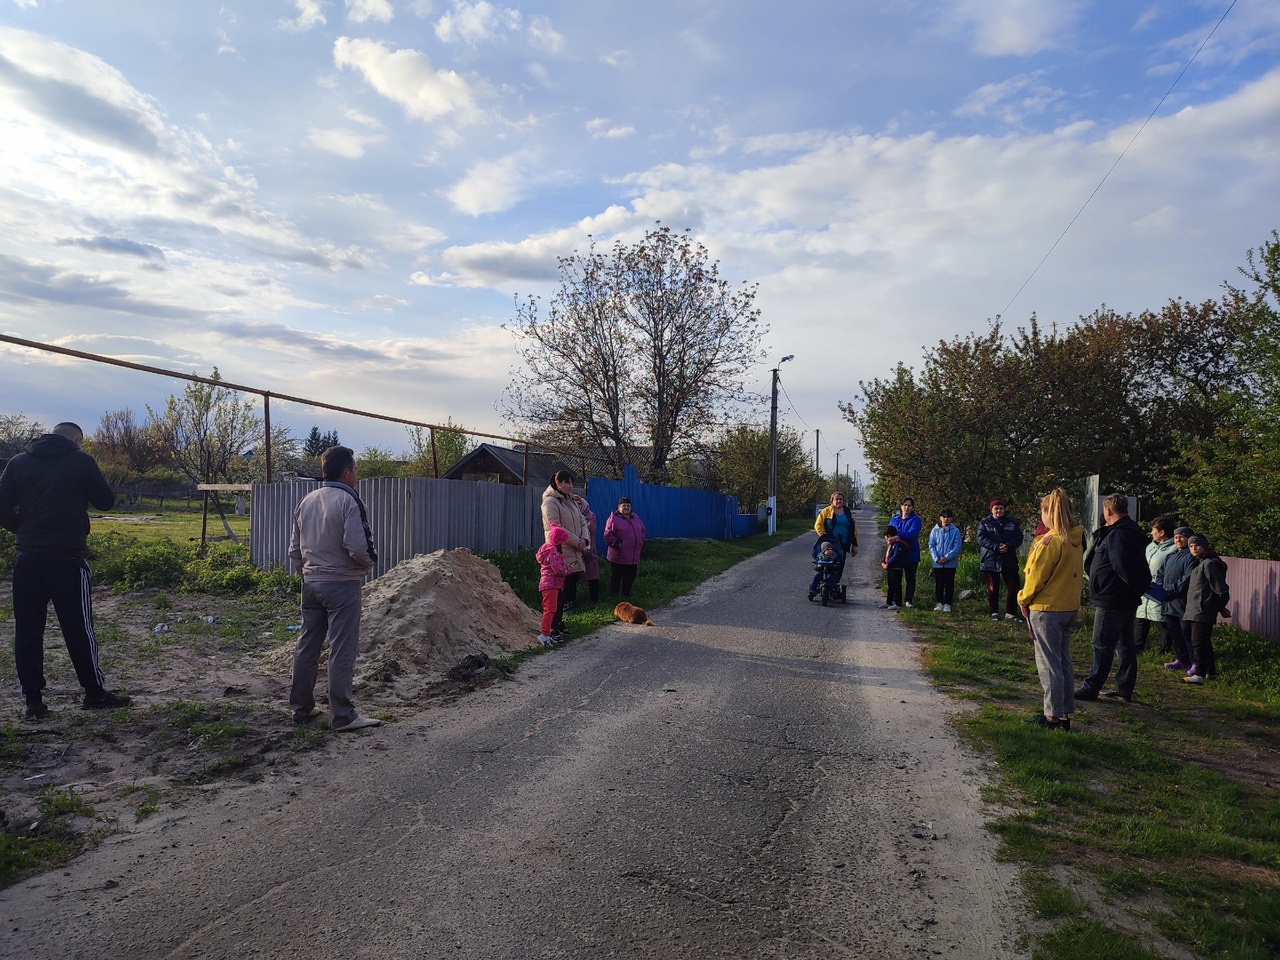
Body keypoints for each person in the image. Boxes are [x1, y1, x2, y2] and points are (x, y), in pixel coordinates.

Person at [0, 422, 130, 719]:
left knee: (28, 630)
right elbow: (105, 501)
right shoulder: (81, 460)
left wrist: (21, 528)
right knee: (78, 627)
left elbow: (0, 505)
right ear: (77, 440)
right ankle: (94, 693)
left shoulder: (18, 462)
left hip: (27, 556)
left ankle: (33, 701)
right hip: (67, 557)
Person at [288, 445, 381, 731]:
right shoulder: (349, 500)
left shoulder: (307, 500)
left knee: (307, 645)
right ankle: (343, 715)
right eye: (355, 470)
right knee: (342, 649)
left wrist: (307, 574)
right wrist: (367, 565)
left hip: (311, 583)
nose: (356, 475)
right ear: (347, 471)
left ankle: (302, 708)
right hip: (342, 584)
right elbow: (358, 546)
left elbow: (294, 549)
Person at [1017, 488, 1085, 731]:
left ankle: (1052, 716)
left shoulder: (1050, 542)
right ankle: (1064, 713)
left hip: (1047, 608)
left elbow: (1036, 577)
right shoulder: (1075, 540)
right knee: (1064, 662)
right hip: (1068, 606)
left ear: (1049, 513)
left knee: (1048, 664)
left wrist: (1023, 597)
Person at [1076, 493, 1152, 704]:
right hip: (1123, 597)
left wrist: (1131, 586)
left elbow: (1121, 565)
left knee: (1102, 644)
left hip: (1112, 597)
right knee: (1124, 643)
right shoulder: (1130, 530)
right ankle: (1123, 688)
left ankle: (1091, 687)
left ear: (1108, 510)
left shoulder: (1119, 534)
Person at [541, 470, 588, 640]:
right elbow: (556, 528)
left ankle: (559, 623)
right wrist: (577, 542)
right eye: (567, 482)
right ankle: (552, 626)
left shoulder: (570, 501)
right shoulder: (550, 502)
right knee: (557, 594)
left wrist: (584, 539)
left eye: (571, 482)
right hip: (560, 553)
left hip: (574, 552)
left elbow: (583, 521)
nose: (571, 486)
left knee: (566, 591)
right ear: (558, 482)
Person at [1181, 534, 1231, 684]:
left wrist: (1220, 607)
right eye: (1190, 546)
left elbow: (1221, 589)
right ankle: (1211, 672)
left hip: (1202, 610)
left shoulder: (1209, 564)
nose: (1193, 548)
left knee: (1198, 642)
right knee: (1203, 641)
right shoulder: (1199, 563)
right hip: (1194, 609)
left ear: (1204, 546)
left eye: (1197, 545)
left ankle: (1199, 674)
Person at [978, 499, 1025, 622]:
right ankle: (994, 612)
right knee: (993, 587)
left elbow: (1019, 537)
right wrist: (996, 546)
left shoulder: (1012, 523)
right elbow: (981, 538)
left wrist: (1008, 545)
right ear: (991, 510)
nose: (999, 511)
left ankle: (1011, 613)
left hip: (1008, 558)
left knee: (1013, 586)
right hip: (990, 558)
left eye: (1001, 508)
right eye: (996, 508)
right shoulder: (985, 522)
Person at [1135, 516, 1176, 652]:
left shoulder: (1173, 549)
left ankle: (1164, 650)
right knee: (1142, 617)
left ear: (1162, 532)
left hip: (1161, 588)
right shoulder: (1150, 547)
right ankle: (1137, 647)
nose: (1151, 533)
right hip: (1146, 587)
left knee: (1163, 620)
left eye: (1153, 530)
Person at [1157, 527, 1197, 671]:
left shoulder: (1191, 557)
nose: (1178, 540)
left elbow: (1187, 578)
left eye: (1181, 537)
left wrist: (1170, 590)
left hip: (1182, 601)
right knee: (1174, 632)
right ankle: (1182, 659)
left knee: (1186, 632)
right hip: (1169, 602)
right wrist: (1160, 589)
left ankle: (1194, 662)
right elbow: (1160, 573)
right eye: (1175, 537)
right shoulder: (1171, 556)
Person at [535, 524, 571, 647]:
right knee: (549, 610)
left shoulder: (548, 550)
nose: (564, 544)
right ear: (558, 541)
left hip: (550, 584)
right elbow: (558, 570)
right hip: (551, 584)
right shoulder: (553, 551)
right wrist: (568, 569)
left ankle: (547, 634)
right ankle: (544, 635)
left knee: (551, 609)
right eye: (563, 541)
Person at [603, 496, 646, 601]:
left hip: (633, 555)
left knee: (630, 577)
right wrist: (618, 544)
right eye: (624, 505)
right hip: (619, 556)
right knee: (616, 577)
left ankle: (626, 596)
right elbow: (607, 535)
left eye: (628, 505)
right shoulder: (613, 518)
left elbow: (642, 530)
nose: (626, 507)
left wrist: (642, 541)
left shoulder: (636, 517)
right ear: (619, 507)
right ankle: (614, 598)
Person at [928, 508, 962, 611]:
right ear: (940, 518)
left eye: (948, 517)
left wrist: (947, 557)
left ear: (951, 518)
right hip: (937, 562)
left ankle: (948, 603)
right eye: (944, 517)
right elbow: (931, 544)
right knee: (939, 583)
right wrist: (936, 558)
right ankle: (939, 602)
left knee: (949, 583)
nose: (946, 519)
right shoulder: (935, 530)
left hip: (950, 563)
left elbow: (957, 546)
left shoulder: (955, 531)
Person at [891, 498, 922, 607]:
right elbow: (889, 531)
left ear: (912, 507)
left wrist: (898, 536)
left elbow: (912, 533)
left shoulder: (915, 520)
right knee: (896, 578)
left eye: (909, 505)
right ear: (901, 506)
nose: (906, 507)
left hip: (911, 553)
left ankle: (908, 600)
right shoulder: (895, 519)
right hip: (897, 553)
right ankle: (896, 600)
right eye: (905, 505)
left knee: (910, 578)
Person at [814, 491, 859, 562]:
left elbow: (853, 530)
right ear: (832, 501)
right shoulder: (826, 511)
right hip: (830, 544)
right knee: (829, 566)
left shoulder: (848, 512)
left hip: (844, 544)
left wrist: (855, 545)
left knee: (840, 566)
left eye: (841, 499)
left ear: (843, 501)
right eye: (836, 499)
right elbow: (818, 525)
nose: (839, 501)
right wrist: (824, 536)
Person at [573, 494, 601, 604]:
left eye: (579, 503)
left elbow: (592, 529)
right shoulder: (570, 515)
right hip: (575, 549)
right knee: (573, 577)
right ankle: (571, 600)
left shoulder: (590, 515)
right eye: (575, 504)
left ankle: (594, 600)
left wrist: (582, 522)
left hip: (589, 551)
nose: (578, 506)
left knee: (593, 576)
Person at [879, 525, 906, 610]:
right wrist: (883, 562)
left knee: (896, 585)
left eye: (887, 537)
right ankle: (889, 601)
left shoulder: (899, 544)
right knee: (890, 586)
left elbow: (896, 556)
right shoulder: (891, 545)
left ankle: (898, 603)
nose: (886, 539)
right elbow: (887, 555)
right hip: (890, 568)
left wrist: (888, 563)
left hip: (896, 568)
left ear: (890, 536)